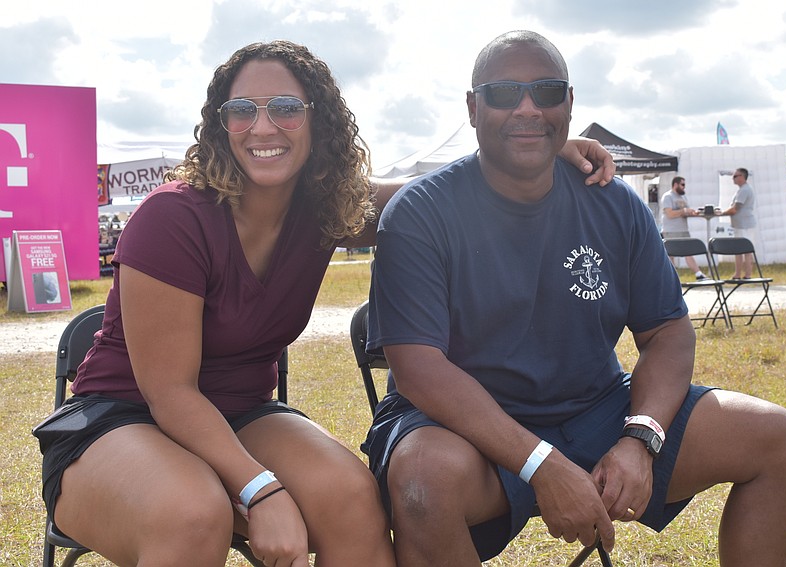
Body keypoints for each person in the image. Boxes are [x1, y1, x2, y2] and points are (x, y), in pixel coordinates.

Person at [31, 40, 615, 566]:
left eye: (286, 107)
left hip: (242, 415)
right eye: (243, 110)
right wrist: (261, 489)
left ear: (319, 121)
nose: (264, 127)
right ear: (221, 124)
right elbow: (170, 393)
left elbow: (437, 198)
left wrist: (532, 149)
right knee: (193, 513)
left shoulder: (325, 212)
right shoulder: (173, 218)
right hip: (121, 420)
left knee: (354, 499)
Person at [362, 30, 786, 567]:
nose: (528, 108)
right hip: (463, 427)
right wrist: (541, 464)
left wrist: (641, 438)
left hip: (595, 408)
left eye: (547, 91)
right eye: (504, 93)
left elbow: (667, 330)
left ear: (569, 104)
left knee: (778, 439)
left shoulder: (614, 203)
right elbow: (419, 369)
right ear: (472, 108)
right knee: (422, 483)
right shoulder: (421, 212)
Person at [660, 176, 708, 280]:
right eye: (682, 185)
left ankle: (698, 274)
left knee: (688, 252)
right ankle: (671, 277)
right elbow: (669, 214)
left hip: (683, 229)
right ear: (675, 184)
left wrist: (692, 212)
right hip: (671, 230)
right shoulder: (668, 196)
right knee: (670, 254)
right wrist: (684, 211)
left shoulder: (683, 197)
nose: (684, 187)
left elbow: (684, 212)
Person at [718, 167, 757, 279]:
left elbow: (735, 209)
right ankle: (739, 273)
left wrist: (722, 213)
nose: (733, 178)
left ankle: (747, 274)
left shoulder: (744, 190)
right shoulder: (741, 190)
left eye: (735, 176)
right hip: (740, 225)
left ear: (742, 177)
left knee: (745, 250)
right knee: (739, 250)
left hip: (745, 225)